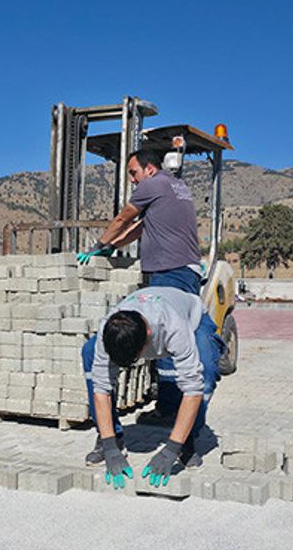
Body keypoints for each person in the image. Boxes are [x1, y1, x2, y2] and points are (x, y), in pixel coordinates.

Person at [78, 148, 203, 425]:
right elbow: (141, 227)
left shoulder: (153, 184)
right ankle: (173, 408)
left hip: (169, 271)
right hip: (184, 270)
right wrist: (111, 247)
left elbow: (124, 218)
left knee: (169, 343)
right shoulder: (175, 187)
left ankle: (170, 410)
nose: (133, 180)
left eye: (133, 173)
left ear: (149, 169)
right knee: (177, 337)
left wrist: (97, 244)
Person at [81, 286, 224, 488]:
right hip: (147, 314)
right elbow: (102, 389)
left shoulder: (173, 326)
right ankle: (111, 438)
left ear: (148, 335)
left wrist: (171, 449)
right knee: (89, 352)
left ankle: (186, 441)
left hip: (191, 317)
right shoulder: (109, 327)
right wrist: (110, 446)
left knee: (206, 370)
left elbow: (192, 390)